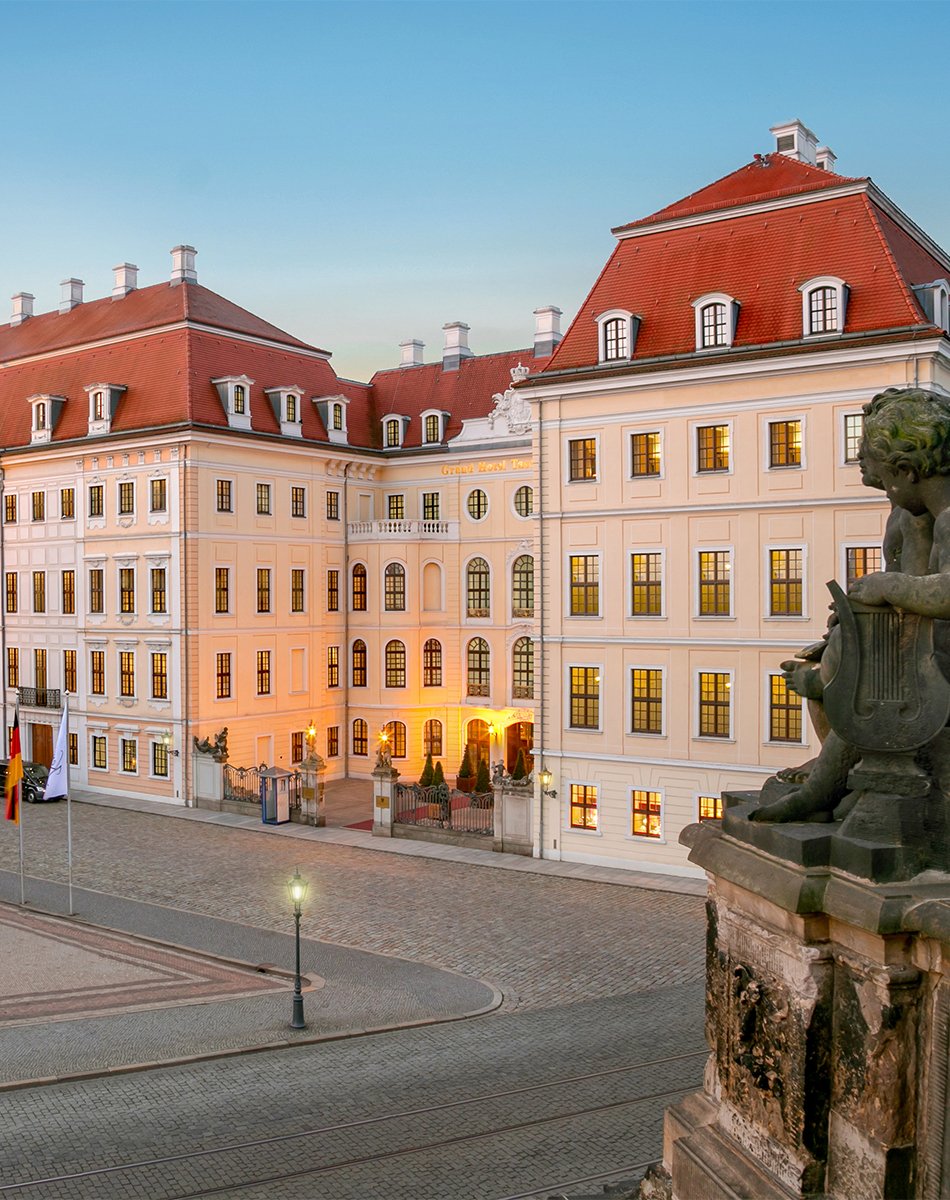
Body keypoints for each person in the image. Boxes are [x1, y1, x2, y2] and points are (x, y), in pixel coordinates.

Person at [752, 387, 950, 822]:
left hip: (938, 660)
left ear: (907, 470)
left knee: (845, 669)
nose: (887, 497)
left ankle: (824, 789)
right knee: (832, 657)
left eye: (886, 485)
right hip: (921, 648)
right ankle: (836, 779)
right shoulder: (918, 517)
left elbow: (941, 592)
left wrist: (886, 586)